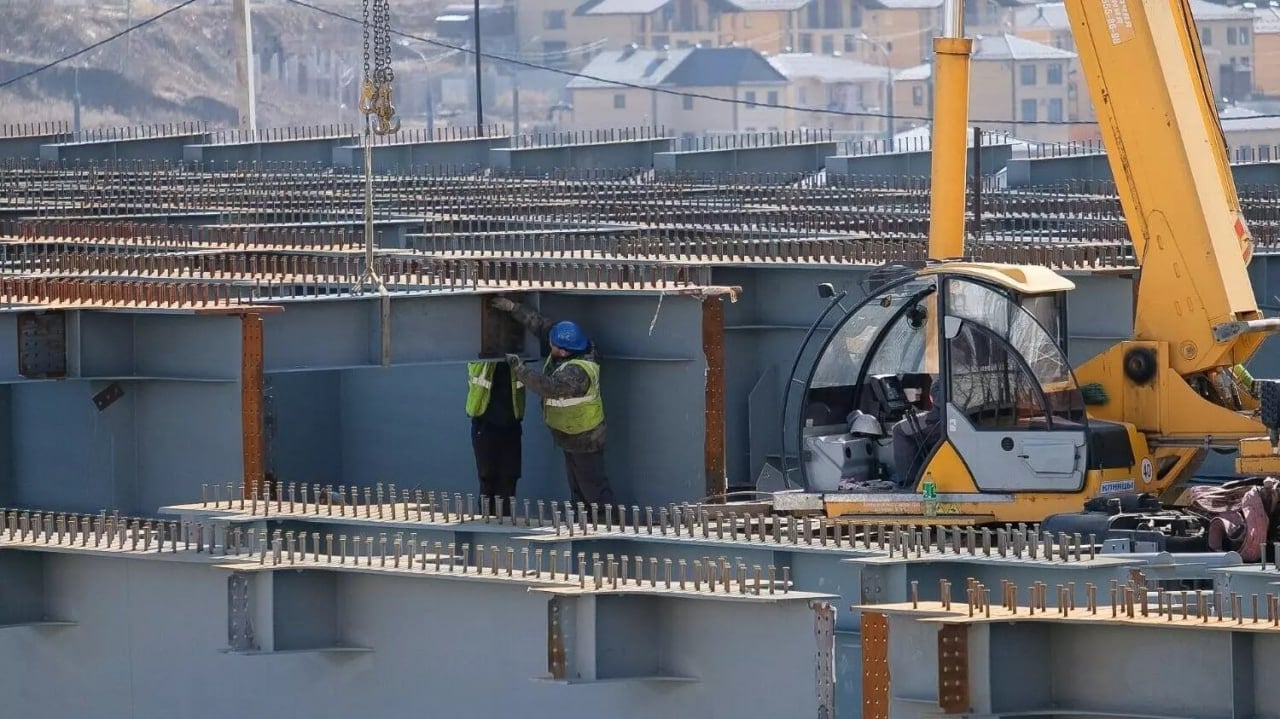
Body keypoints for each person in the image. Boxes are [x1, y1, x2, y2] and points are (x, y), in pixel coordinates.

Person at [489, 297, 615, 507]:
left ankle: (604, 526)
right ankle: (583, 524)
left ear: (564, 351)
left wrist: (519, 369)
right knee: (577, 488)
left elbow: (548, 387)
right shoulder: (571, 343)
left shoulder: (578, 372)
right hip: (570, 435)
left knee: (593, 490)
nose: (549, 343)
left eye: (553, 345)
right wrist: (513, 308)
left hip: (585, 438)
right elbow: (541, 326)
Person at [465, 353, 525, 516]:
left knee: (508, 479)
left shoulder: (516, 360)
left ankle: (504, 523)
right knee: (487, 478)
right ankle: (488, 521)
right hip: (485, 424)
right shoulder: (480, 358)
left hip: (510, 425)